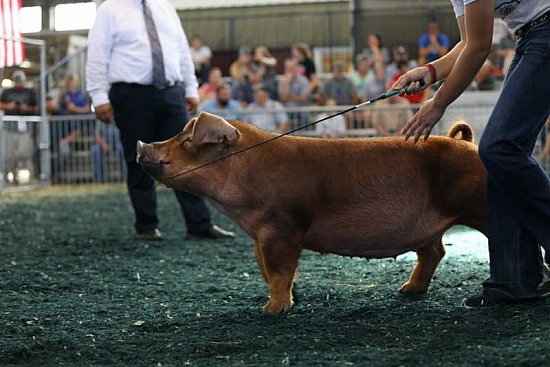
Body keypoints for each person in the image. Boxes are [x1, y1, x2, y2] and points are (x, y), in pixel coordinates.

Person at [392, 0, 550, 307]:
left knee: (499, 148)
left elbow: (479, 48)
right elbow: (468, 43)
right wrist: (429, 70)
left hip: (544, 32)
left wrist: (438, 104)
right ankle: (514, 279)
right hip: (531, 36)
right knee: (499, 157)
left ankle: (517, 276)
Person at [86, 0, 234, 241]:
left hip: (171, 91)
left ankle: (199, 223)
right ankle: (146, 225)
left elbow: (182, 50)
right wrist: (99, 95)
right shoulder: (109, 9)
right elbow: (97, 54)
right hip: (130, 93)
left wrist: (190, 88)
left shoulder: (164, 7)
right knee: (140, 158)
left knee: (187, 154)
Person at [278, 58, 311, 126]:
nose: (289, 70)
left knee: (305, 113)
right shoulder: (281, 80)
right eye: (287, 68)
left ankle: (305, 135)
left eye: (291, 68)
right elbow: (282, 98)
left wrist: (288, 98)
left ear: (295, 68)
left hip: (300, 108)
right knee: (280, 114)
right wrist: (287, 82)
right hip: (286, 109)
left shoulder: (303, 79)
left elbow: (303, 98)